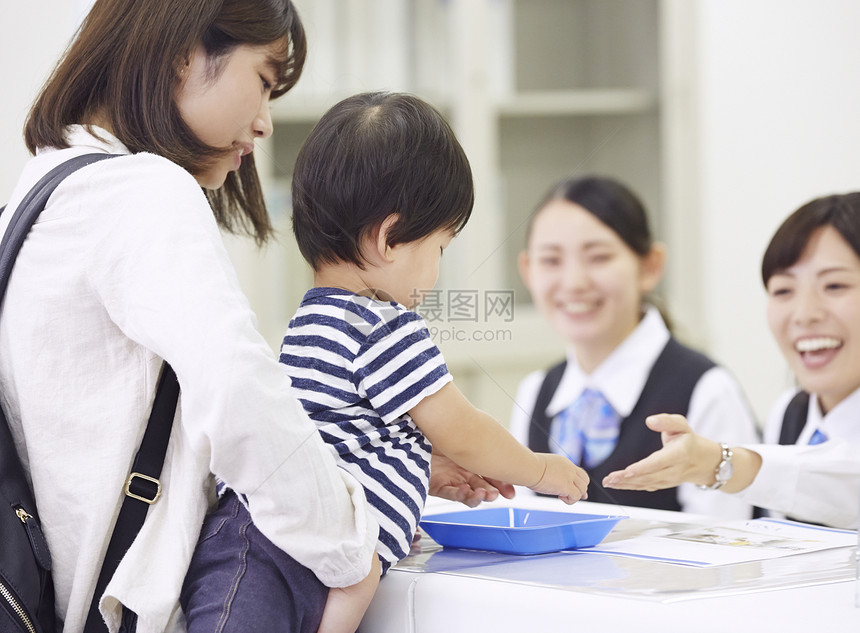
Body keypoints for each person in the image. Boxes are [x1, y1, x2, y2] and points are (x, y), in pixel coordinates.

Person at [2, 2, 383, 632]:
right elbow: (238, 392)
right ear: (184, 53)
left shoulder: (36, 195)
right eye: (263, 79)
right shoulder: (142, 191)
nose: (263, 123)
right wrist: (347, 544)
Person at [271, 91, 587, 632]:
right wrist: (541, 469)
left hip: (273, 534)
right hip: (324, 561)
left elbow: (342, 441)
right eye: (440, 247)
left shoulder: (309, 322)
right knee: (360, 574)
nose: (438, 269)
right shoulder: (383, 322)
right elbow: (462, 430)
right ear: (390, 238)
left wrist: (421, 469)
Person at [603, 192, 860, 530]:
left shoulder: (702, 383)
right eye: (783, 291)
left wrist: (717, 463)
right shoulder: (790, 413)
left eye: (835, 285)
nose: (805, 314)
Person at [510, 175, 760, 518]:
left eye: (598, 257)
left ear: (650, 265)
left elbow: (723, 546)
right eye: (551, 260)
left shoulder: (706, 390)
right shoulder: (536, 391)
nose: (573, 282)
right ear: (528, 270)